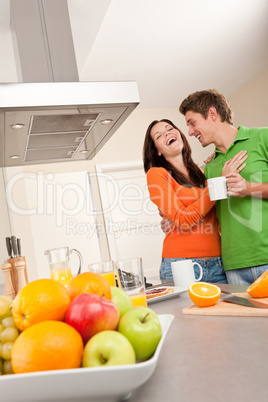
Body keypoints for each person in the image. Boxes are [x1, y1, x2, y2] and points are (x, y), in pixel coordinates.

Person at [178, 88, 268, 285]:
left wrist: (249, 188)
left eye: (192, 123)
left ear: (212, 114)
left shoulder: (263, 138)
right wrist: (171, 219)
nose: (190, 132)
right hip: (233, 267)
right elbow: (208, 212)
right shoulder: (210, 167)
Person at [143, 119, 229, 284]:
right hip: (181, 265)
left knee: (224, 310)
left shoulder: (202, 172)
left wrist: (215, 164)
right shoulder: (156, 174)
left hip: (218, 264)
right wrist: (216, 187)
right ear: (157, 151)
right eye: (159, 135)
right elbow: (183, 221)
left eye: (170, 128)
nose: (167, 133)